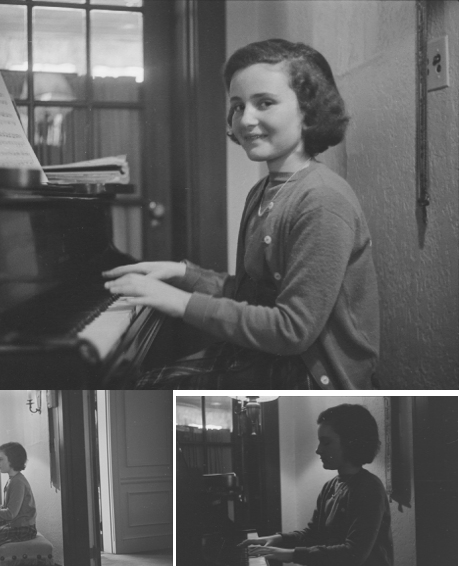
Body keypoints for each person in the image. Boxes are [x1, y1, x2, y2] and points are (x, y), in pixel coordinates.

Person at [102, 39, 379, 389]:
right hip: (269, 357)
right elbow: (252, 298)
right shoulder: (263, 190)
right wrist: (181, 274)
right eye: (237, 106)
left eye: (264, 103)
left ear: (309, 110)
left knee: (143, 386)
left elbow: (291, 330)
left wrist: (181, 302)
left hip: (312, 376)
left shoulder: (321, 199)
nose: (245, 119)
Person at [239, 404, 393, 566]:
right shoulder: (331, 486)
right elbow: (312, 535)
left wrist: (286, 554)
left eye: (326, 442)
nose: (318, 450)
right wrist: (277, 539)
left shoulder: (369, 488)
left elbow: (353, 555)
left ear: (351, 442)